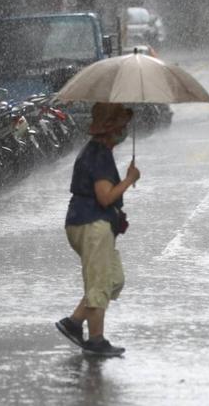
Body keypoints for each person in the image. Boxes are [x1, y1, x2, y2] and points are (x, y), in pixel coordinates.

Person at [56, 102, 140, 357]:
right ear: (110, 129)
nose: (124, 131)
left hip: (90, 223)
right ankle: (96, 340)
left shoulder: (97, 151)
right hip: (92, 224)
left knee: (113, 280)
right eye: (121, 126)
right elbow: (105, 197)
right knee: (99, 285)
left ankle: (74, 322)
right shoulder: (99, 155)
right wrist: (129, 180)